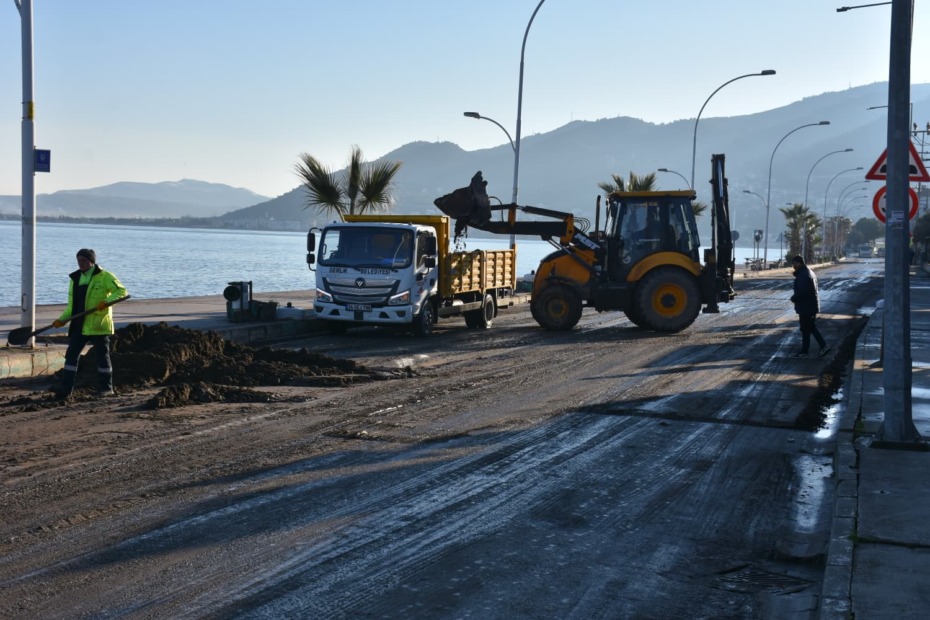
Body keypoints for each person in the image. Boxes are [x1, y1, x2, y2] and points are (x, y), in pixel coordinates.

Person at [52, 248, 128, 398]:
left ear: (91, 261)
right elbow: (72, 306)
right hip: (79, 324)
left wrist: (105, 302)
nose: (80, 263)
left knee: (102, 357)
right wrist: (62, 319)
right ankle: (66, 389)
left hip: (98, 324)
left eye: (83, 260)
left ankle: (106, 389)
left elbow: (122, 292)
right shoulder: (75, 279)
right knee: (71, 356)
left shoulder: (105, 276)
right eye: (78, 260)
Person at [789, 255, 829, 359]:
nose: (793, 266)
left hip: (806, 306)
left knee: (806, 329)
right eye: (793, 264)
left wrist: (794, 298)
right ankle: (819, 347)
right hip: (809, 306)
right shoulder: (808, 272)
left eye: (794, 263)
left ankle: (807, 351)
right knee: (809, 328)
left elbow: (803, 291)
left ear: (800, 263)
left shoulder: (803, 275)